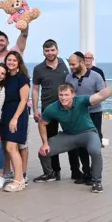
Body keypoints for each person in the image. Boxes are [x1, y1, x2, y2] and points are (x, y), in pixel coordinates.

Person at [38, 75, 112, 192]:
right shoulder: (53, 108)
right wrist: (45, 143)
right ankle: (50, 174)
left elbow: (100, 95)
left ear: (73, 95)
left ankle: (96, 182)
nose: (63, 98)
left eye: (66, 95)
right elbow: (42, 123)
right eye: (61, 95)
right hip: (69, 136)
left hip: (88, 133)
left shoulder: (81, 100)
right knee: (43, 152)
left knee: (95, 151)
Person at [31, 39, 76, 182]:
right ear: (43, 51)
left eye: (52, 50)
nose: (50, 53)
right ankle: (54, 172)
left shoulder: (65, 65)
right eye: (47, 50)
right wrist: (35, 109)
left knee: (72, 139)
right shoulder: (38, 69)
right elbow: (35, 89)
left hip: (66, 109)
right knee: (50, 141)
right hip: (48, 110)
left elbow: (72, 85)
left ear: (57, 50)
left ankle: (76, 171)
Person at [65, 52, 107, 183]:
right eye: (69, 64)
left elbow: (102, 94)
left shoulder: (96, 76)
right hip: (77, 116)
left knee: (94, 145)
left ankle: (96, 176)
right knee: (80, 145)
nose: (71, 66)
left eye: (73, 64)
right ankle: (86, 172)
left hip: (94, 114)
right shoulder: (69, 78)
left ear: (82, 63)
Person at [0, 51, 31, 192]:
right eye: (9, 60)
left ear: (19, 62)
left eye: (14, 60)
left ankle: (19, 180)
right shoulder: (6, 78)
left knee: (11, 148)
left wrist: (15, 118)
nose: (11, 62)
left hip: (17, 115)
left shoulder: (22, 78)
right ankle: (19, 179)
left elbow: (24, 100)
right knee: (10, 148)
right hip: (6, 114)